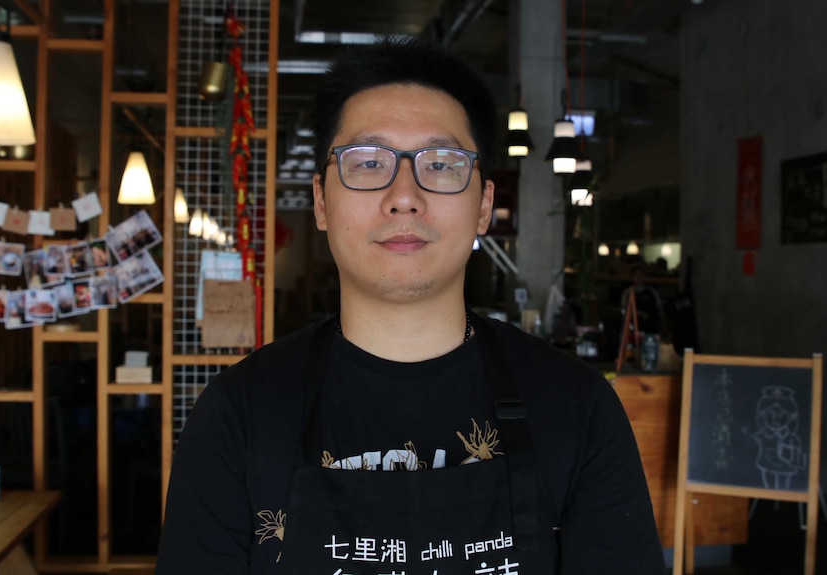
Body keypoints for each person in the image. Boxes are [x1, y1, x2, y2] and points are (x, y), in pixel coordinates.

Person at [155, 38, 664, 574]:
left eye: (441, 164)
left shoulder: (577, 408)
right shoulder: (238, 416)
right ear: (322, 201)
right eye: (368, 161)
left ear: (485, 205)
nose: (404, 195)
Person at [620, 264, 668, 337]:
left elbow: (660, 310)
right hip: (633, 329)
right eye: (636, 275)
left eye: (641, 275)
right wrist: (638, 313)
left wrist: (664, 329)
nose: (639, 277)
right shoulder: (627, 293)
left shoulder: (652, 292)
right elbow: (624, 312)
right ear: (632, 277)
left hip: (651, 329)